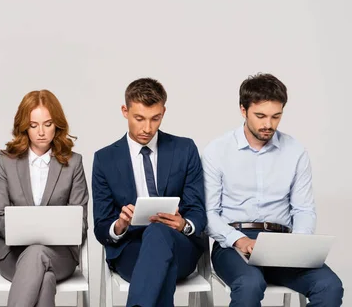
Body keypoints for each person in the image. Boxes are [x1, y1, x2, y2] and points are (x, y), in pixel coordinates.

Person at [203, 73, 343, 306]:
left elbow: (304, 209)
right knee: (249, 284)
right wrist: (239, 240)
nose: (268, 124)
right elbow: (208, 213)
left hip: (283, 243)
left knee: (329, 286)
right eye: (260, 116)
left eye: (276, 116)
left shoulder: (295, 151)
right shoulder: (217, 151)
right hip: (234, 242)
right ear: (243, 110)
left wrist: (298, 245)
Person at [92, 77, 206, 307]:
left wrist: (183, 224)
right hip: (130, 250)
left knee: (158, 233)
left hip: (179, 245)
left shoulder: (184, 149)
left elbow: (198, 210)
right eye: (139, 118)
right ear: (125, 111)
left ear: (163, 112)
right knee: (159, 267)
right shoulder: (105, 159)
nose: (147, 128)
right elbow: (101, 225)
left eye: (155, 119)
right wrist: (120, 225)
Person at [0, 90, 88, 307]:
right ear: (24, 126)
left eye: (48, 124)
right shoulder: (6, 161)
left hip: (60, 255)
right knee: (45, 279)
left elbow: (80, 223)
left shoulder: (73, 163)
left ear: (58, 125)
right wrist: (24, 231)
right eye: (33, 125)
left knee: (37, 254)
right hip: (13, 255)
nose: (41, 132)